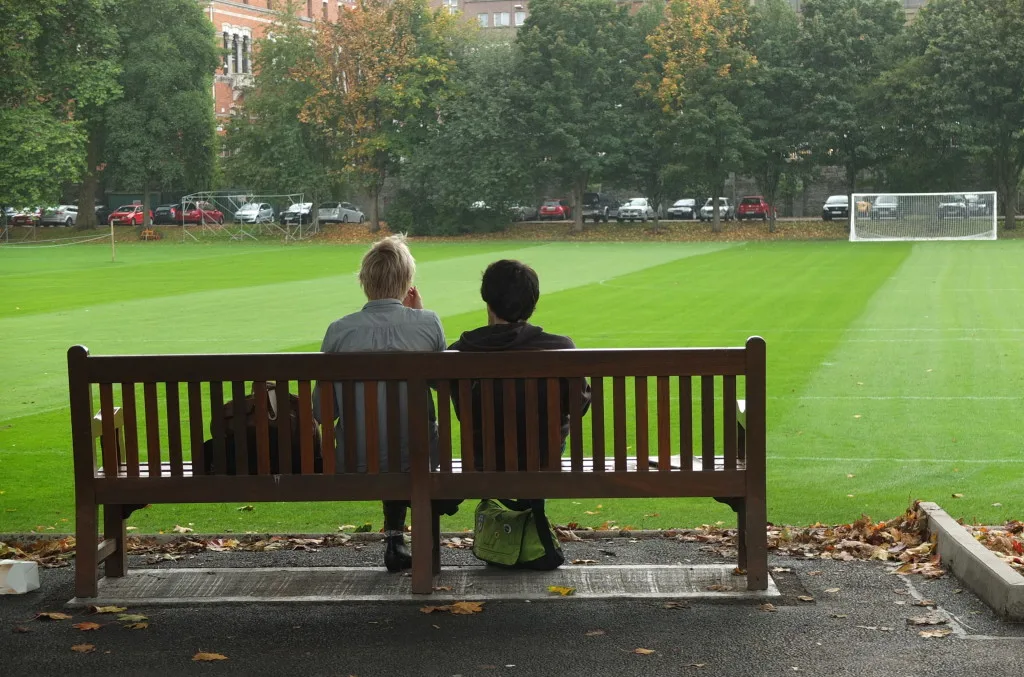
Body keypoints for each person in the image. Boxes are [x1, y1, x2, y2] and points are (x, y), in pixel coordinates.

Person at [313, 234, 454, 572]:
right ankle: (418, 544)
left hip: (355, 456)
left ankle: (394, 540)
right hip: (419, 454)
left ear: (364, 281)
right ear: (408, 283)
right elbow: (442, 386)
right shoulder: (428, 322)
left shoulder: (339, 331)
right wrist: (420, 318)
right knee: (406, 442)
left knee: (383, 441)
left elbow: (323, 411)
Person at [449, 259, 591, 471]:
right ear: (533, 304)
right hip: (544, 457)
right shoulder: (560, 348)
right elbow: (578, 405)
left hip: (483, 457)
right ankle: (530, 500)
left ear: (487, 300)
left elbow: (463, 410)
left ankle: (495, 500)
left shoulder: (459, 351)